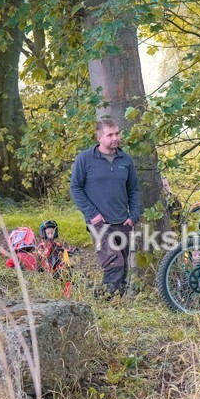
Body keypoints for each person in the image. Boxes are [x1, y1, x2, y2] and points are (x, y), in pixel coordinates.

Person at [70, 119, 140, 297]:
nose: (115, 138)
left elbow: (133, 190)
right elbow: (75, 188)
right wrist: (91, 213)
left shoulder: (126, 160)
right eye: (110, 135)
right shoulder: (85, 159)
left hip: (123, 221)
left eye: (117, 133)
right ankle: (107, 302)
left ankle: (115, 302)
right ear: (99, 137)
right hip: (99, 222)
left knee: (123, 265)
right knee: (113, 262)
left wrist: (133, 216)